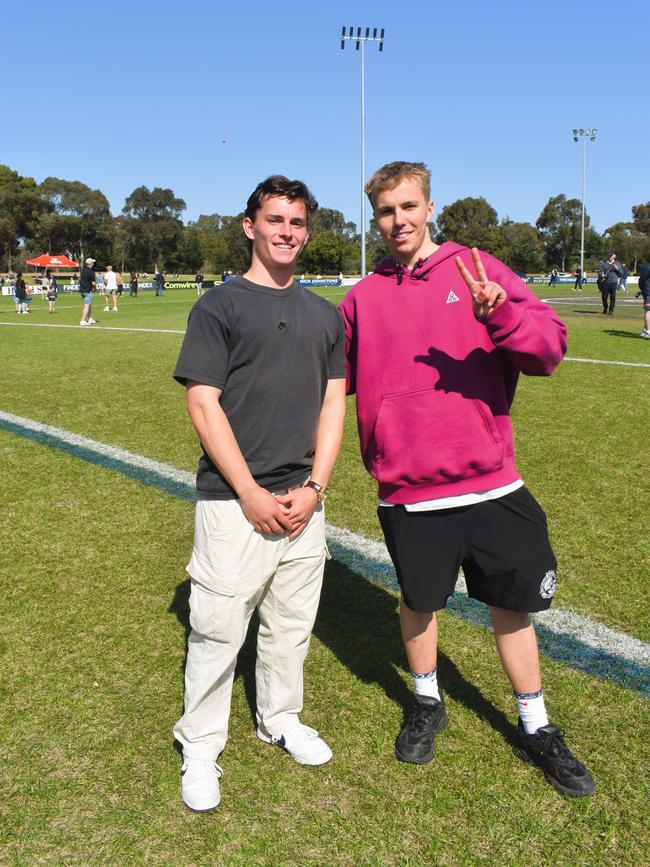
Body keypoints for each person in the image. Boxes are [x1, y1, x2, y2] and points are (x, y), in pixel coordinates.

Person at [340, 161, 595, 798]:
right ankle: (426, 702)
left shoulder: (475, 268)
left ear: (429, 208)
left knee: (512, 607)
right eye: (385, 211)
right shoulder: (361, 299)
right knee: (419, 602)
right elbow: (328, 385)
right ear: (376, 219)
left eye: (408, 207)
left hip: (490, 483)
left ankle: (536, 723)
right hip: (409, 488)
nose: (397, 221)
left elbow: (550, 351)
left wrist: (501, 315)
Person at [172, 175, 347, 813]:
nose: (287, 232)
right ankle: (201, 745)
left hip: (304, 503)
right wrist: (247, 491)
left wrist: (316, 487)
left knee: (290, 627)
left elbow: (333, 407)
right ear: (250, 226)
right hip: (232, 503)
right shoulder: (218, 306)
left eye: (297, 222)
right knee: (217, 631)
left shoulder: (325, 316)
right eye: (275, 220)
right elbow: (202, 402)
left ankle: (279, 716)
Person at [79, 257, 97, 326]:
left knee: (89, 305)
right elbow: (93, 283)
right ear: (90, 263)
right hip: (87, 290)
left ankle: (89, 319)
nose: (93, 263)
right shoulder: (91, 272)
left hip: (82, 290)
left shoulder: (82, 270)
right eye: (92, 262)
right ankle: (82, 320)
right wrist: (95, 289)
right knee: (87, 305)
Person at [638, 262, 650, 338]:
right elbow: (642, 279)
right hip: (649, 291)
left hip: (647, 290)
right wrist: (643, 288)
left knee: (647, 310)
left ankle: (645, 330)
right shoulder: (647, 267)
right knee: (649, 310)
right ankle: (648, 331)